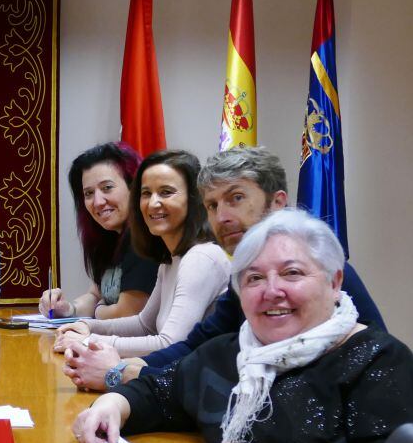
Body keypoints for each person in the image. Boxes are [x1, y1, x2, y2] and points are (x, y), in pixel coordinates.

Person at [71, 209, 413, 443]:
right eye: (253, 279)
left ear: (334, 281)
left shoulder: (378, 359)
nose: (272, 291)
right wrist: (112, 405)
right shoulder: (231, 352)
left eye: (292, 273)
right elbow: (163, 392)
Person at [63, 146, 385, 390]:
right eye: (213, 205)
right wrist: (130, 371)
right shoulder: (242, 279)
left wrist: (119, 368)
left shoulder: (325, 273)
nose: (222, 217)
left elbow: (372, 369)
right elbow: (197, 347)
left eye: (236, 198)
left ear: (278, 202)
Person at [53, 149, 230, 358]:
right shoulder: (170, 259)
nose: (153, 203)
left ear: (194, 198)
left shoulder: (201, 258)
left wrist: (88, 341)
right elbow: (144, 324)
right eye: (146, 193)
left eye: (166, 192)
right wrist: (87, 326)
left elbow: (170, 344)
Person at [39, 142, 157, 319]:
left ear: (134, 187)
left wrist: (98, 308)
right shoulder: (110, 237)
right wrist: (67, 309)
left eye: (107, 188)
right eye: (88, 193)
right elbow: (95, 295)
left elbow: (126, 313)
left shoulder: (144, 238)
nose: (98, 202)